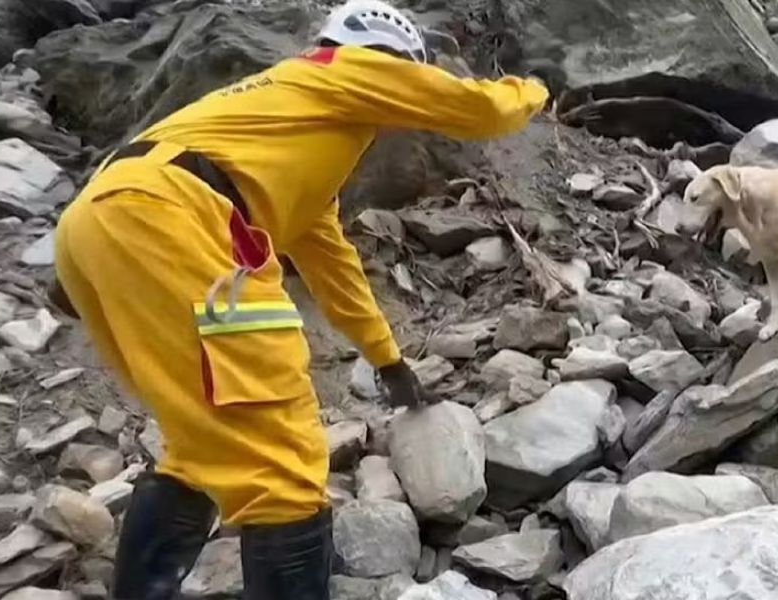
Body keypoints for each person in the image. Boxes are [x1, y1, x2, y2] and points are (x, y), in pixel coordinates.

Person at [51, 0, 548, 597]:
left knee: (202, 438)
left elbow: (334, 269)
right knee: (284, 457)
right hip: (177, 217)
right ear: (392, 62)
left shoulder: (290, 138)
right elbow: (479, 109)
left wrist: (387, 358)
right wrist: (534, 88)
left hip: (96, 222)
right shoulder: (342, 69)